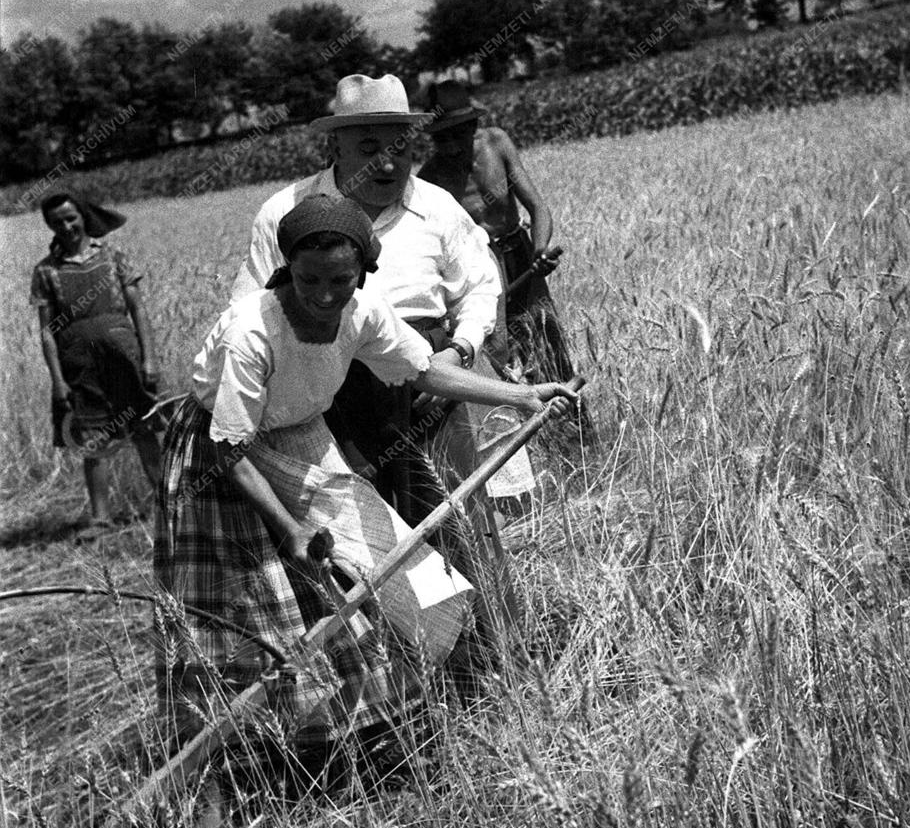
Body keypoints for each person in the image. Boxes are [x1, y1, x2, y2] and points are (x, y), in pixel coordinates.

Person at [156, 195, 574, 777]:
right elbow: (230, 448)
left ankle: (364, 730)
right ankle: (237, 761)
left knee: (396, 566)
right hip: (220, 450)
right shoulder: (251, 330)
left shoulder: (363, 311)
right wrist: (292, 527)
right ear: (286, 270)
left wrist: (523, 395)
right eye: (309, 280)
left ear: (362, 274)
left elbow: (422, 368)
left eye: (340, 280)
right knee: (249, 599)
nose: (324, 295)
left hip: (300, 431)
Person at [231, 74, 511, 524]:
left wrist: (460, 351)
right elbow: (246, 317)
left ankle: (476, 595)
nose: (387, 164)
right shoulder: (284, 213)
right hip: (330, 405)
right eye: (367, 149)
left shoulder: (437, 207)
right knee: (364, 539)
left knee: (459, 524)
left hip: (432, 388)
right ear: (336, 147)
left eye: (400, 147)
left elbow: (479, 286)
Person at [418, 79, 593, 441]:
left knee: (546, 339)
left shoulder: (496, 144)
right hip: (479, 269)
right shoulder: (429, 179)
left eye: (457, 134)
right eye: (441, 138)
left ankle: (576, 436)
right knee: (497, 353)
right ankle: (518, 441)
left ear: (472, 127)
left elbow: (537, 206)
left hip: (519, 253)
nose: (450, 145)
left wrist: (541, 248)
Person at [30, 192, 164, 531]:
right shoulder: (46, 271)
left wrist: (149, 358)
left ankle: (171, 507)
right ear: (49, 226)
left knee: (144, 430)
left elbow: (138, 310)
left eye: (71, 217)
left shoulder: (114, 257)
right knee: (93, 438)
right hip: (79, 365)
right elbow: (47, 332)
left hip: (124, 357)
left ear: (83, 217)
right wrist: (58, 380)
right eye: (57, 222)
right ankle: (101, 520)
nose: (66, 226)